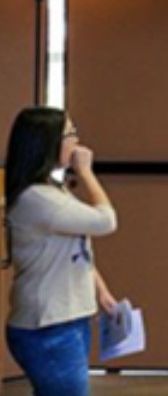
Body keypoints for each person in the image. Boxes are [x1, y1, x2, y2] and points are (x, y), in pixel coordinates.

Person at [5, 107, 121, 396]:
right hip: (49, 326)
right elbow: (106, 221)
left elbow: (75, 246)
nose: (77, 140)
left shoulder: (52, 190)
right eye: (70, 133)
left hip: (67, 320)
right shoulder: (37, 198)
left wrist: (101, 290)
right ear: (48, 142)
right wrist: (86, 173)